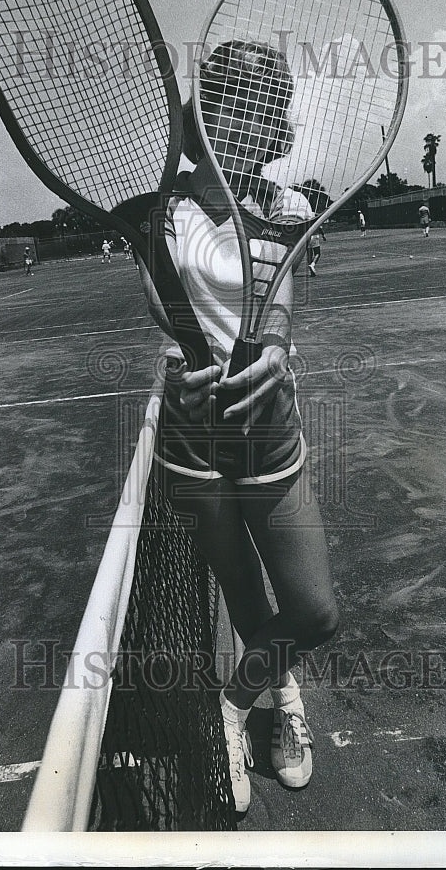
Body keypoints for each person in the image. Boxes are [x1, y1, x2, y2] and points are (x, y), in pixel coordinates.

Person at [138, 40, 338, 816]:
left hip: (267, 427)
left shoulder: (288, 207)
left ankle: (231, 702)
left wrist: (274, 351)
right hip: (192, 435)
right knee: (246, 603)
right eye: (246, 104)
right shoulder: (162, 211)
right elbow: (160, 306)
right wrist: (187, 356)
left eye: (271, 107)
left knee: (313, 611)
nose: (264, 120)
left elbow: (280, 302)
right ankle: (276, 710)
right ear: (210, 114)